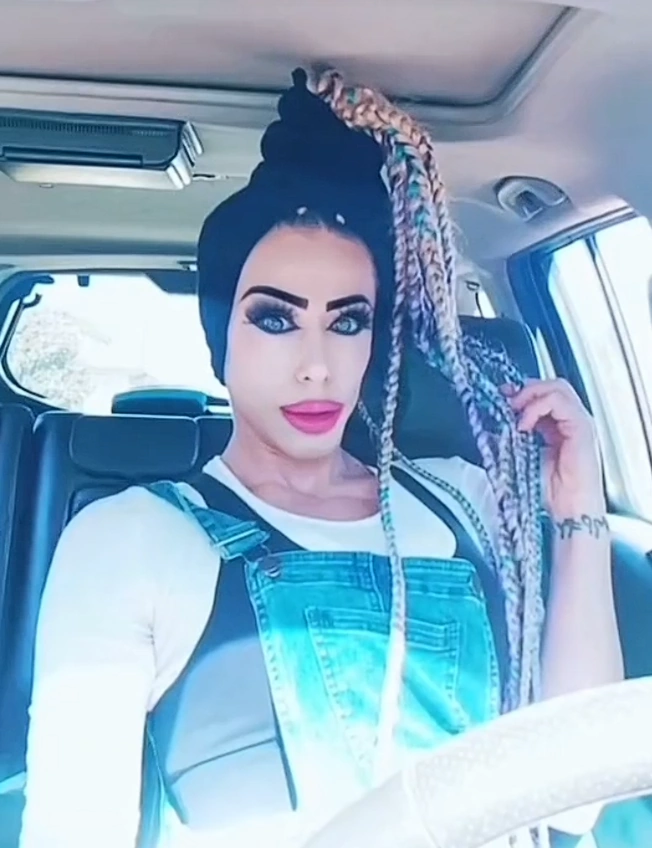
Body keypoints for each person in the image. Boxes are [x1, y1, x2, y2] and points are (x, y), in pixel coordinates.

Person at [20, 68, 622, 848]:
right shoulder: (130, 540)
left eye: (347, 322)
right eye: (275, 320)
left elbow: (575, 801)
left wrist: (579, 510)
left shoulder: (463, 498)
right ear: (220, 338)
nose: (317, 367)